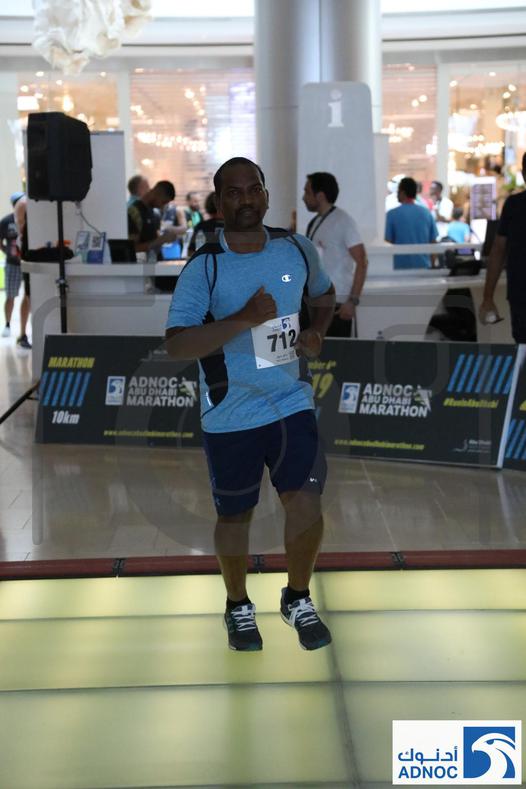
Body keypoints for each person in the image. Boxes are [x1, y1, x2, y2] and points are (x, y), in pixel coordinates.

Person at [165, 156, 336, 652]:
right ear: (219, 203)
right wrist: (243, 317)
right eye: (233, 192)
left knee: (306, 503)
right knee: (234, 517)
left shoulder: (296, 248)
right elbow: (177, 344)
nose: (245, 199)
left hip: (290, 401)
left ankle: (297, 597)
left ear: (266, 194)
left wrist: (317, 332)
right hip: (231, 412)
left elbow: (324, 296)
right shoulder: (205, 266)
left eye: (253, 189)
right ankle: (238, 604)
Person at [302, 171, 367, 337]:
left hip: (337, 305)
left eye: (307, 192)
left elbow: (362, 261)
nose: (303, 197)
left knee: (336, 352)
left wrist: (352, 301)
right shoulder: (315, 222)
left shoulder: (343, 221)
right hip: (316, 302)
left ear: (320, 196)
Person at [479, 151, 526, 343]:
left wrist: (488, 297)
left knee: (523, 347)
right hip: (520, 293)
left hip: (521, 292)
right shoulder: (513, 205)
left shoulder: (514, 205)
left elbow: (498, 250)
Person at [385, 177, 438, 269]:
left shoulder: (391, 215)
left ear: (403, 193)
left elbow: (387, 241)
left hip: (398, 268)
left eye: (398, 191)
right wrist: (433, 266)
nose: (397, 194)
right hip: (423, 267)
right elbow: (433, 242)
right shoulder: (426, 213)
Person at [1, 192, 31, 348]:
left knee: (28, 296)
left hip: (27, 262)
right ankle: (7, 324)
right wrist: (7, 251)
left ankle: (23, 332)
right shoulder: (6, 221)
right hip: (12, 264)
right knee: (11, 295)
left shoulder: (30, 219)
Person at [128, 180, 180, 257]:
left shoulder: (155, 213)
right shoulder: (135, 212)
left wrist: (164, 238)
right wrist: (161, 240)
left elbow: (155, 240)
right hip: (142, 262)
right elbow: (132, 248)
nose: (162, 207)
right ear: (156, 193)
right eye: (163, 202)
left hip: (156, 261)